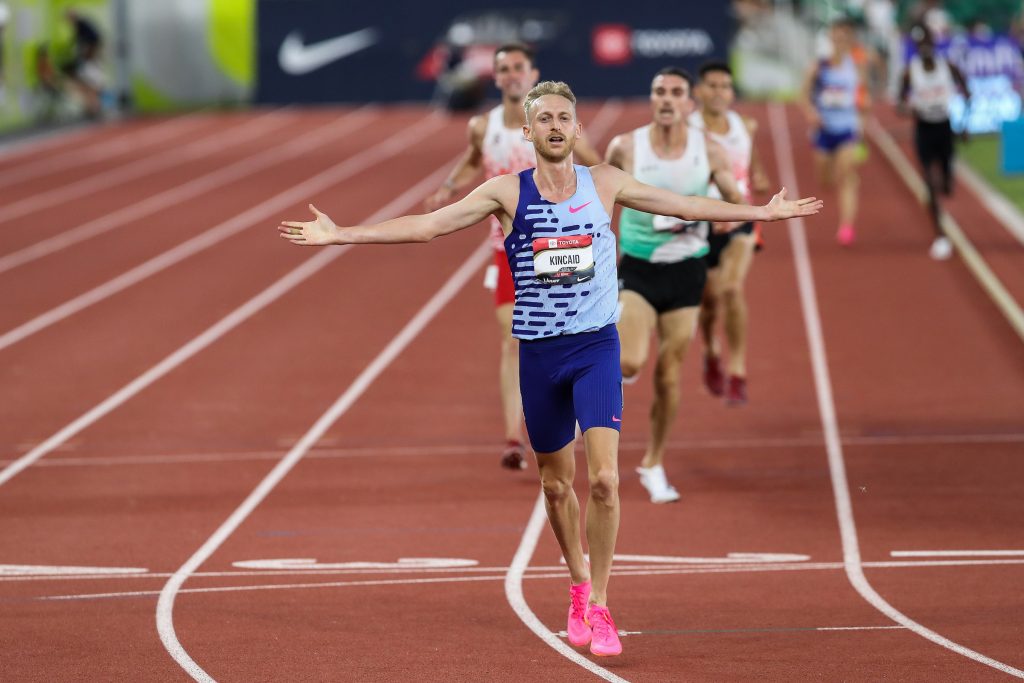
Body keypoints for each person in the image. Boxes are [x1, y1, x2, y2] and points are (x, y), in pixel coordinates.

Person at [278, 80, 822, 657]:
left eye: (566, 117)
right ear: (529, 131)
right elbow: (429, 225)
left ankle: (602, 605)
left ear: (578, 129)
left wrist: (758, 212)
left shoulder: (604, 182)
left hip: (595, 348)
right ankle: (577, 583)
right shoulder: (506, 193)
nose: (557, 126)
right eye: (546, 119)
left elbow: (680, 204)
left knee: (606, 481)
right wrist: (342, 233)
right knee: (557, 484)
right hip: (540, 356)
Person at [425, 44, 601, 470]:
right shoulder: (482, 125)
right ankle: (512, 435)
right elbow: (473, 160)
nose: (510, 75)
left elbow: (595, 167)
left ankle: (570, 413)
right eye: (503, 69)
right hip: (507, 250)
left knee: (567, 334)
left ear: (532, 72)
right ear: (496, 76)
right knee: (514, 339)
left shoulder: (553, 124)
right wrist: (450, 187)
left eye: (518, 67)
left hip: (562, 248)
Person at [605, 67, 748, 504]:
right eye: (659, 91)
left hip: (687, 270)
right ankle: (610, 383)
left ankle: (653, 463)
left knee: (668, 376)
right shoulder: (627, 146)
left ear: (690, 103)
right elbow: (598, 198)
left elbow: (735, 203)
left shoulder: (709, 150)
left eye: (676, 93)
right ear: (652, 98)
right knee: (630, 360)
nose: (667, 99)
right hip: (639, 268)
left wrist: (728, 217)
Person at [689, 62, 771, 406]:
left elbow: (753, 168)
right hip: (699, 225)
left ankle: (737, 372)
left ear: (732, 93)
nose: (719, 92)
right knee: (709, 301)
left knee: (732, 289)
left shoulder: (744, 126)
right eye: (712, 85)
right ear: (699, 91)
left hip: (739, 221)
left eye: (725, 86)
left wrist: (759, 179)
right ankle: (711, 349)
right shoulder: (686, 130)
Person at [899, 25, 969, 260]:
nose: (925, 47)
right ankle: (939, 234)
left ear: (933, 42)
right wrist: (910, 109)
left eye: (928, 42)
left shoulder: (946, 67)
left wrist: (964, 124)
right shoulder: (910, 72)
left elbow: (967, 91)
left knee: (946, 182)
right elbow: (899, 103)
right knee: (929, 181)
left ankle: (947, 180)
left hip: (945, 127)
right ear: (916, 47)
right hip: (924, 129)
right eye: (920, 44)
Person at [800, 16, 871, 246]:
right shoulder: (819, 66)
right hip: (823, 130)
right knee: (826, 181)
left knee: (846, 177)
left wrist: (863, 119)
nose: (841, 40)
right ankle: (841, 179)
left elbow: (864, 95)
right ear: (831, 37)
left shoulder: (857, 65)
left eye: (845, 35)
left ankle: (846, 226)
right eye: (837, 35)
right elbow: (802, 96)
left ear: (850, 38)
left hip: (847, 128)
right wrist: (811, 113)